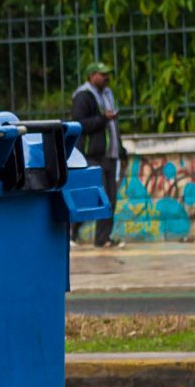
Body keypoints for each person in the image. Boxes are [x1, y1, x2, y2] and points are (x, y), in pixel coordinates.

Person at [69, 61, 125, 247]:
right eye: (102, 74)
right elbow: (79, 124)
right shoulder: (83, 97)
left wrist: (121, 150)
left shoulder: (108, 95)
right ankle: (72, 232)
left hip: (109, 154)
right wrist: (103, 119)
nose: (106, 77)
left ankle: (103, 239)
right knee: (93, 197)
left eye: (108, 74)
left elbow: (113, 128)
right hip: (91, 155)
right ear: (92, 76)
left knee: (110, 197)